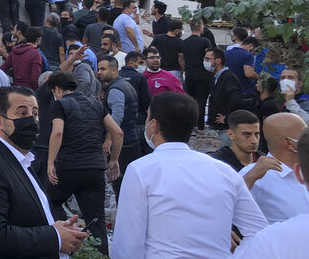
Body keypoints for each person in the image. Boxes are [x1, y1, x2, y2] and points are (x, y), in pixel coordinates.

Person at [112, 92, 267, 259]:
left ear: (154, 125)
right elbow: (261, 232)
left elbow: (128, 244)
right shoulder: (223, 171)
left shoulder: (141, 170)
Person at [0, 86, 90, 257]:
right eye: (22, 113)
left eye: (34, 113)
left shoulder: (22, 162)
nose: (31, 120)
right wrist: (55, 237)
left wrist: (60, 229)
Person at [46, 71, 122, 255]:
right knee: (97, 219)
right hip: (95, 167)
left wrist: (50, 162)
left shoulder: (60, 104)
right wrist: (114, 160)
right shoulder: (96, 104)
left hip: (69, 165)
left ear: (56, 89)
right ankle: (100, 256)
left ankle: (67, 234)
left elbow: (57, 132)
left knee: (51, 202)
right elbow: (118, 132)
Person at [232, 127, 309, 257]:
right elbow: (229, 207)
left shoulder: (270, 240)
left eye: (256, 134)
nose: (254, 140)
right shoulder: (254, 174)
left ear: (299, 174)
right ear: (289, 142)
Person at [238, 112, 309, 223]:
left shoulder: (305, 167)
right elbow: (225, 207)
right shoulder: (255, 175)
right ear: (289, 143)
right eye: (305, 132)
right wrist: (250, 177)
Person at [98, 56, 140, 195]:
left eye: (103, 69)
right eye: (98, 69)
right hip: (131, 139)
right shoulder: (125, 85)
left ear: (114, 70)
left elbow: (116, 118)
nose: (99, 72)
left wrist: (108, 140)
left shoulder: (115, 89)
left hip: (122, 143)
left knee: (119, 182)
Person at [207, 47, 245, 145]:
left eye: (208, 59)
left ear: (218, 61)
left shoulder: (229, 77)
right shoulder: (215, 77)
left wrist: (227, 118)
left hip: (225, 127)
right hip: (218, 126)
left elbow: (235, 99)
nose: (205, 62)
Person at [2, 25, 44, 90]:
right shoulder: (36, 54)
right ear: (38, 39)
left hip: (15, 88)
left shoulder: (14, 51)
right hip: (29, 91)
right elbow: (35, 78)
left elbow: (4, 68)